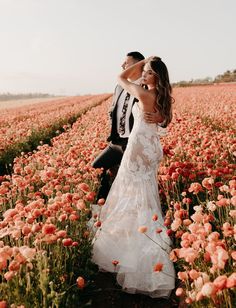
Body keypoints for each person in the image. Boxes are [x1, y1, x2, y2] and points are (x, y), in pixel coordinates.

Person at [91, 56, 175, 298]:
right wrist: (160, 118)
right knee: (145, 195)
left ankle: (135, 247)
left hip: (138, 148)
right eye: (144, 72)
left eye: (148, 73)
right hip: (152, 149)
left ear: (156, 76)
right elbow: (165, 120)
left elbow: (120, 78)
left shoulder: (144, 93)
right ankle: (144, 234)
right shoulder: (161, 95)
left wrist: (141, 62)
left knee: (130, 193)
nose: (143, 76)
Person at [92, 51, 163, 201]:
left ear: (138, 65)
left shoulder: (147, 86)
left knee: (130, 181)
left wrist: (160, 117)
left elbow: (164, 115)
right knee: (97, 167)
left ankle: (116, 206)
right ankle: (99, 206)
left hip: (133, 143)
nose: (122, 65)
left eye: (127, 63)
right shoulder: (119, 87)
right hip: (116, 142)